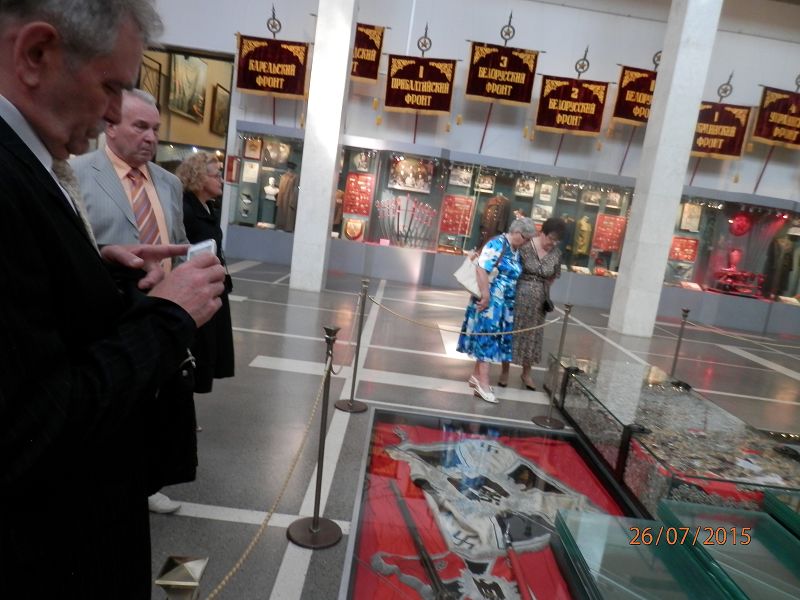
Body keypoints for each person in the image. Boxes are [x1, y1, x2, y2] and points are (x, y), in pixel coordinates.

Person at [0, 1, 225, 597]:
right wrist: (169, 316)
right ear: (36, 54)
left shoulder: (35, 162)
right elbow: (34, 421)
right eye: (110, 87)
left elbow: (39, 301)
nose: (112, 115)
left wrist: (100, 266)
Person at [71, 87, 191, 515]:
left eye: (155, 129)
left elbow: (178, 241)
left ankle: (147, 481)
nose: (151, 137)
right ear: (111, 126)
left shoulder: (169, 183)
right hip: (109, 314)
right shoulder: (77, 173)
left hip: (164, 312)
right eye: (140, 126)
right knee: (115, 399)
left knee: (159, 400)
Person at [457, 218, 537, 404]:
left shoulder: (514, 249)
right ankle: (483, 384)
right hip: (491, 303)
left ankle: (477, 377)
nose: (526, 242)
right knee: (487, 339)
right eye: (525, 238)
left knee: (490, 338)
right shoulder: (497, 243)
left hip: (503, 304)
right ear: (516, 232)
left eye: (528, 240)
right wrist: (485, 295)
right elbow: (481, 269)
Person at [176, 152, 235, 394]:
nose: (221, 180)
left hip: (210, 285)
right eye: (216, 175)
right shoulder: (186, 210)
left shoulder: (208, 208)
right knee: (197, 345)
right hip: (195, 290)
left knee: (209, 345)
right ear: (200, 178)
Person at [500, 217, 566, 390]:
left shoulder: (556, 254)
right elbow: (512, 267)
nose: (553, 243)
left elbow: (553, 276)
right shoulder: (525, 246)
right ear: (542, 233)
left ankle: (526, 373)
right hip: (517, 296)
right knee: (511, 331)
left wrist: (540, 289)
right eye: (551, 238)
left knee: (533, 336)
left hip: (539, 302)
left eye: (557, 241)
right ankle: (505, 371)